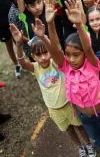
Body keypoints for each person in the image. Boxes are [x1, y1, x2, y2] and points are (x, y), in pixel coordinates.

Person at [43, 0, 100, 157]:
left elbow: (87, 48)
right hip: (83, 116)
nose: (72, 59)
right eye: (68, 55)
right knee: (96, 138)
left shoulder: (92, 64)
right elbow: (55, 49)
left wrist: (80, 25)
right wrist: (50, 24)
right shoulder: (66, 67)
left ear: (85, 55)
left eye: (76, 55)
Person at [10, 23, 94, 157]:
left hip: (68, 104)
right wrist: (19, 45)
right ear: (33, 56)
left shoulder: (56, 62)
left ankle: (89, 145)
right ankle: (81, 147)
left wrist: (43, 37)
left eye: (45, 52)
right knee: (68, 130)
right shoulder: (36, 68)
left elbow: (56, 50)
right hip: (54, 109)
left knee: (79, 126)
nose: (43, 57)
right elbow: (22, 62)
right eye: (38, 55)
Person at [0, 0, 20, 78]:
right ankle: (16, 64)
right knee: (9, 45)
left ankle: (22, 61)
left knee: (18, 43)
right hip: (2, 24)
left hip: (13, 20)